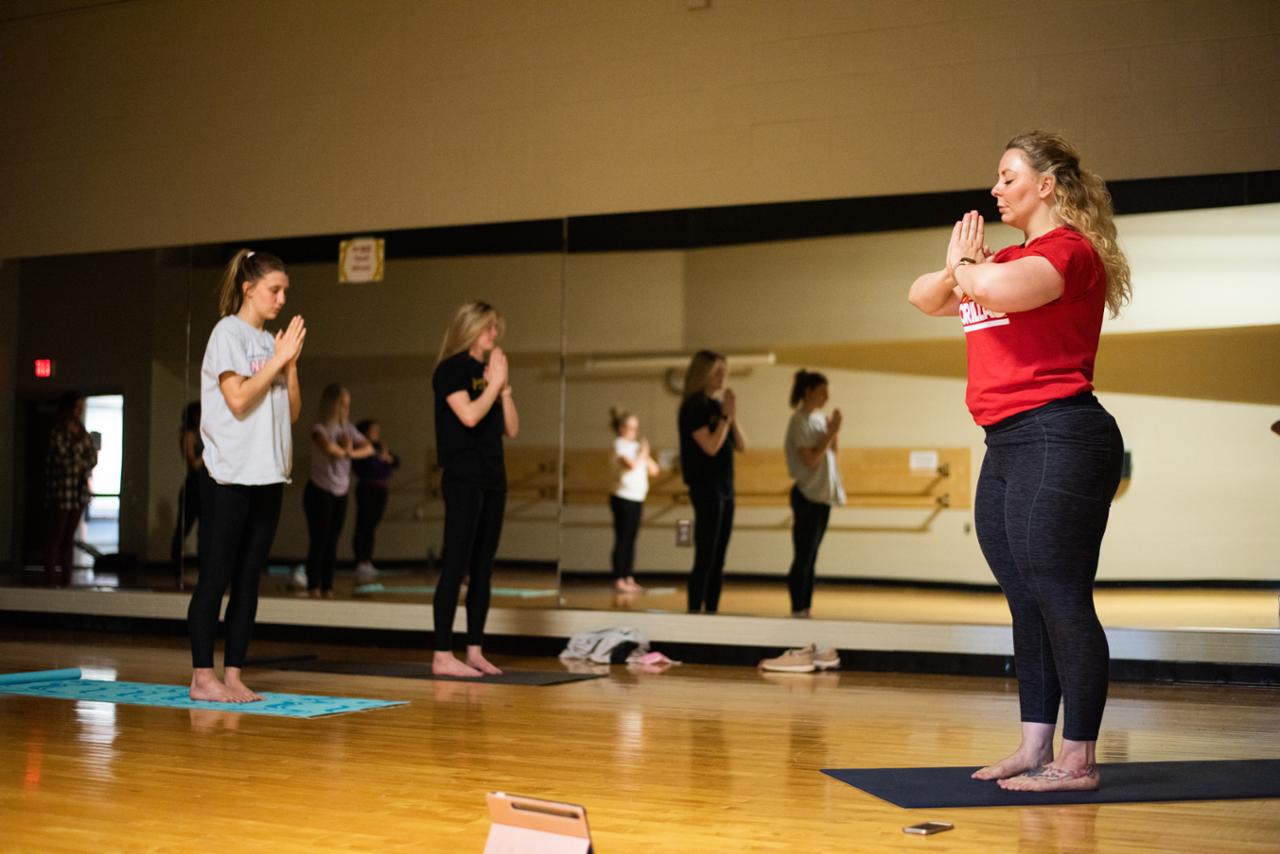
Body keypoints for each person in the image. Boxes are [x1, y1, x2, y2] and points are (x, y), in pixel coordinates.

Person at [908, 131, 1130, 792]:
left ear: (1047, 186)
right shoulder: (997, 261)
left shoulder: (1069, 252)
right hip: (1005, 443)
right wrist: (956, 268)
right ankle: (1036, 745)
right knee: (1026, 598)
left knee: (1060, 593)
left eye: (1009, 177)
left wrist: (968, 271)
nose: (996, 189)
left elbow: (1003, 290)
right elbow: (924, 297)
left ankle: (1079, 759)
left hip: (1061, 434)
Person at [188, 249, 304, 702]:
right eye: (274, 290)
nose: (281, 299)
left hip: (268, 475)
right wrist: (277, 361)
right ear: (248, 288)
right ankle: (202, 677)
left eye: (284, 292)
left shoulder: (272, 344)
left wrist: (289, 365)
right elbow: (237, 399)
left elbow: (291, 412)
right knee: (215, 576)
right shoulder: (227, 333)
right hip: (228, 476)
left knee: (249, 580)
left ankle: (233, 672)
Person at [431, 301, 519, 677]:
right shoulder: (449, 370)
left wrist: (504, 388)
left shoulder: (491, 372)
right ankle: (441, 653)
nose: (494, 334)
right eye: (488, 328)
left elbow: (512, 429)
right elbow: (468, 415)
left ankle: (475, 650)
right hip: (463, 477)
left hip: (493, 477)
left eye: (495, 328)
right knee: (456, 563)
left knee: (484, 568)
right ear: (470, 329)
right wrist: (494, 383)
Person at [678, 350, 745, 614]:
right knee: (705, 555)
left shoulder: (717, 407)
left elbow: (741, 445)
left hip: (726, 487)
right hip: (706, 488)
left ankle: (713, 613)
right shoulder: (694, 407)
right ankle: (695, 612)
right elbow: (711, 447)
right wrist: (725, 419)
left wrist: (732, 416)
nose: (723, 376)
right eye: (718, 371)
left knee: (719, 558)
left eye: (725, 371)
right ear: (703, 373)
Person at [783, 370, 845, 617]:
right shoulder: (799, 421)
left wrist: (833, 430)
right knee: (804, 556)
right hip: (807, 495)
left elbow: (832, 450)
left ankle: (806, 607)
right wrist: (830, 433)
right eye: (822, 393)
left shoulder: (819, 418)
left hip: (822, 496)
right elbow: (809, 460)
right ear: (808, 392)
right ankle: (798, 607)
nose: (826, 398)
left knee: (812, 557)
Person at [303, 383, 373, 598]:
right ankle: (313, 584)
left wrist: (350, 451)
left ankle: (328, 586)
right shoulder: (320, 428)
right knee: (319, 540)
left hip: (340, 492)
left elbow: (369, 448)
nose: (346, 409)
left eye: (348, 405)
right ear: (333, 405)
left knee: (333, 541)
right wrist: (346, 450)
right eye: (343, 404)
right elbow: (329, 448)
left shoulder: (348, 429)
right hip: (319, 490)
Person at [45, 393, 97, 587]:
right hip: (62, 490)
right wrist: (80, 459)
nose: (79, 412)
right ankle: (50, 578)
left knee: (69, 537)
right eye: (77, 408)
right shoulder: (59, 431)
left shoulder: (82, 431)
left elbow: (92, 459)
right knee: (56, 536)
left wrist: (79, 460)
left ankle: (66, 579)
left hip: (78, 491)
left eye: (81, 408)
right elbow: (63, 460)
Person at [608, 406, 660, 593]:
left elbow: (654, 470)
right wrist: (642, 453)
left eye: (636, 428)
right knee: (622, 538)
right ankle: (618, 578)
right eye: (631, 428)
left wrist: (645, 454)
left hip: (638, 497)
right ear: (622, 428)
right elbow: (629, 465)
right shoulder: (620, 444)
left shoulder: (636, 447)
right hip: (622, 496)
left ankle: (628, 577)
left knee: (631, 539)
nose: (634, 432)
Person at [351, 418, 400, 584]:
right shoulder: (362, 448)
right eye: (373, 431)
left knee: (372, 526)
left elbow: (396, 461)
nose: (376, 435)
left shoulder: (380, 447)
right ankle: (360, 560)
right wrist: (381, 459)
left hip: (381, 489)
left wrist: (387, 457)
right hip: (367, 488)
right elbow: (370, 467)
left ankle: (367, 560)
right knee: (364, 524)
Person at [170, 401, 206, 570]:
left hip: (205, 486)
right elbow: (193, 464)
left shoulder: (204, 433)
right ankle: (176, 567)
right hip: (193, 486)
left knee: (205, 530)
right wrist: (209, 453)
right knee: (183, 528)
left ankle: (204, 567)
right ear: (194, 415)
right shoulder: (189, 435)